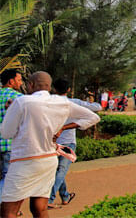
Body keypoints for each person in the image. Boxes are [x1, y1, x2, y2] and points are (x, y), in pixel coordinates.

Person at [0, 71, 100, 218]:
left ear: (31, 85)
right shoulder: (62, 102)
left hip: (25, 160)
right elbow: (93, 117)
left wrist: (11, 111)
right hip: (48, 159)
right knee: (39, 208)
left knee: (8, 211)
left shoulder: (23, 102)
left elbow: (6, 133)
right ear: (49, 86)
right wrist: (63, 127)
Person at [48, 79, 102, 209]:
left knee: (57, 170)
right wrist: (89, 98)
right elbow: (98, 107)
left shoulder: (48, 103)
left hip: (51, 142)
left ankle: (65, 196)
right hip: (68, 142)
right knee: (61, 170)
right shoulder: (74, 102)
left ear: (53, 89)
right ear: (68, 90)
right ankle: (50, 198)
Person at [0, 70, 23, 194]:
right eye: (19, 80)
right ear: (11, 81)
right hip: (9, 145)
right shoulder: (19, 98)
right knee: (8, 178)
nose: (20, 83)